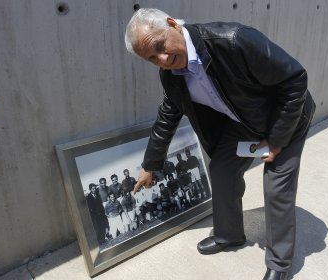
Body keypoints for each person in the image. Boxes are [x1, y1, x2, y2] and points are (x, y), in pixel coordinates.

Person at [125, 8, 315, 280]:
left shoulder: (234, 40)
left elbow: (295, 79)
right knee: (222, 170)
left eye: (160, 46)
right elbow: (167, 116)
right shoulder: (171, 75)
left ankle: (279, 264)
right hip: (245, 122)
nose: (163, 59)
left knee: (276, 187)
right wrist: (150, 165)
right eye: (152, 59)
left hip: (287, 118)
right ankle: (229, 235)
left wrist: (276, 141)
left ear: (171, 25)